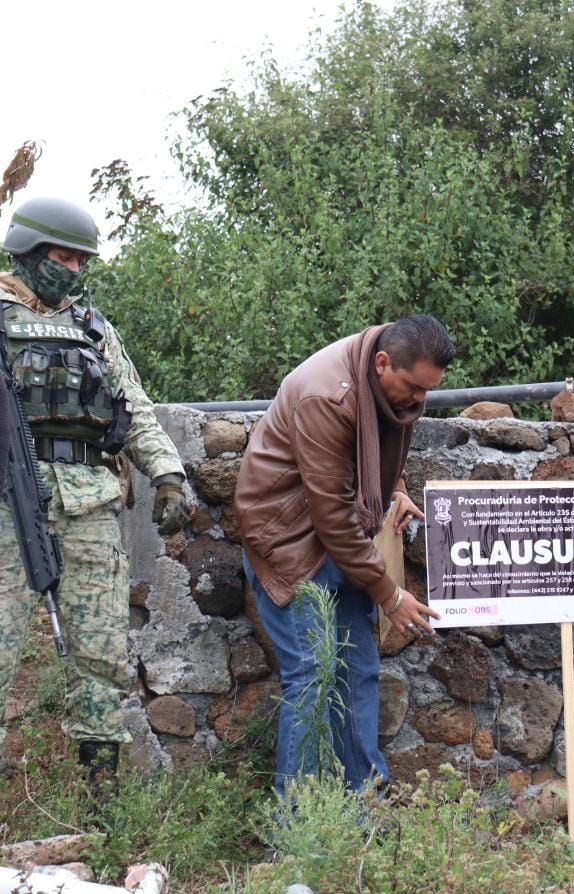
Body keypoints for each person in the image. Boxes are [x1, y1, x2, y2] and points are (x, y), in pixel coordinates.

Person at [0, 196, 190, 796]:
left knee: (102, 655)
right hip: (7, 505)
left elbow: (134, 409)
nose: (75, 270)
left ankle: (101, 799)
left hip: (89, 504)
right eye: (64, 256)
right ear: (28, 253)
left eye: (84, 261)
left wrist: (168, 474)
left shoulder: (92, 328)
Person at [236, 314, 452, 796]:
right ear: (381, 363)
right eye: (414, 388)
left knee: (359, 671)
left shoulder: (388, 387)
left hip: (345, 539)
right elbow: (330, 514)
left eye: (428, 391)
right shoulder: (325, 395)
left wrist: (396, 488)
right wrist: (390, 596)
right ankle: (300, 824)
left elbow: (376, 452)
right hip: (290, 541)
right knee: (314, 676)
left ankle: (363, 803)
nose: (419, 401)